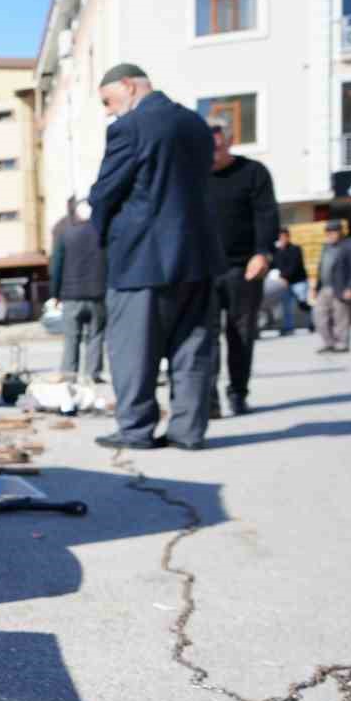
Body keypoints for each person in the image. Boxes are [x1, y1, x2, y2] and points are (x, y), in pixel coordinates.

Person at [86, 63, 222, 451]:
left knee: (133, 351)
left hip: (141, 260)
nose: (109, 110)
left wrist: (104, 233)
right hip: (197, 257)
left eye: (108, 100)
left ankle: (135, 429)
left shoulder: (129, 128)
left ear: (128, 86)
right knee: (192, 348)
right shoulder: (196, 125)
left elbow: (105, 193)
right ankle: (188, 431)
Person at [205, 116, 279, 416]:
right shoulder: (191, 177)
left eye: (217, 147)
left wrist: (262, 252)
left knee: (241, 334)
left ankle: (238, 393)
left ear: (230, 142)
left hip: (242, 267)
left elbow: (266, 215)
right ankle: (208, 400)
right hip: (203, 270)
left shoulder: (253, 173)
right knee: (204, 337)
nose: (211, 154)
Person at [49, 198, 107, 382]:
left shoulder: (66, 235)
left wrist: (55, 293)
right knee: (96, 336)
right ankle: (93, 374)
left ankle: (69, 374)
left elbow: (56, 266)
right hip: (97, 294)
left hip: (71, 296)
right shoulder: (102, 233)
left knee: (71, 338)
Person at [313, 220, 351, 354]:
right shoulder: (326, 247)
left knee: (341, 317)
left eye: (333, 231)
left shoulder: (349, 246)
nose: (330, 234)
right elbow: (321, 266)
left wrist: (350, 287)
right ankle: (328, 342)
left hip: (340, 287)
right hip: (324, 287)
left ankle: (342, 343)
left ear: (340, 232)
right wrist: (315, 287)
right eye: (328, 232)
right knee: (319, 316)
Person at [272, 228, 307, 336]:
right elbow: (275, 266)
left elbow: (294, 265)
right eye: (280, 237)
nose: (282, 239)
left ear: (288, 237)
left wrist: (284, 277)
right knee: (287, 306)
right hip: (284, 283)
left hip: (298, 281)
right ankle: (288, 327)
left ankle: (312, 324)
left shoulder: (295, 249)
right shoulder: (277, 251)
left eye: (284, 237)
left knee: (303, 304)